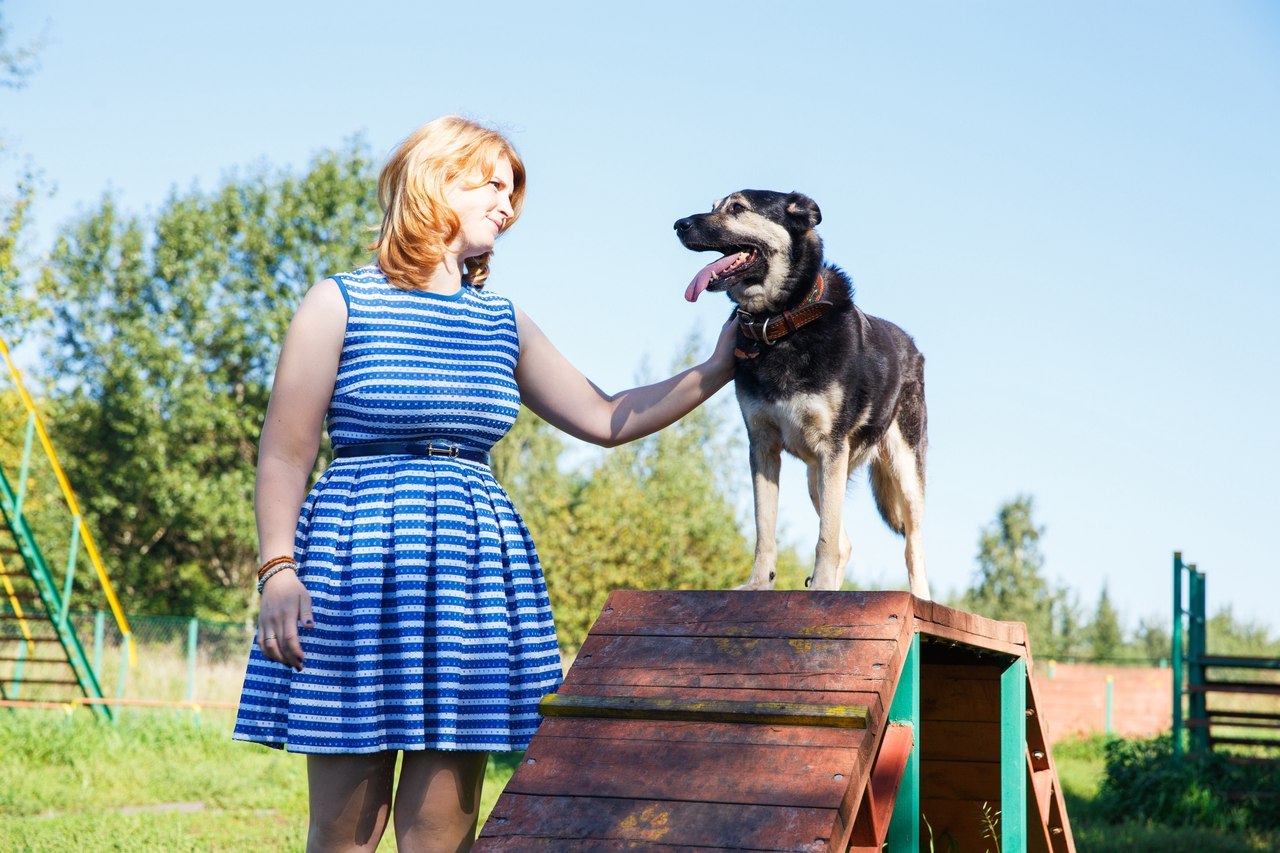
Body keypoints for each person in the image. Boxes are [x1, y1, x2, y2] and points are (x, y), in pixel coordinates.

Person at [232, 115, 736, 852]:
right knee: (346, 829)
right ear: (437, 180)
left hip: (468, 575)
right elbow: (283, 454)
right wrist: (278, 568)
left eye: (513, 193)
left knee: (441, 830)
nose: (508, 204)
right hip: (354, 566)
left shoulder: (503, 319)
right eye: (493, 184)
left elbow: (604, 416)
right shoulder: (338, 302)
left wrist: (717, 368)